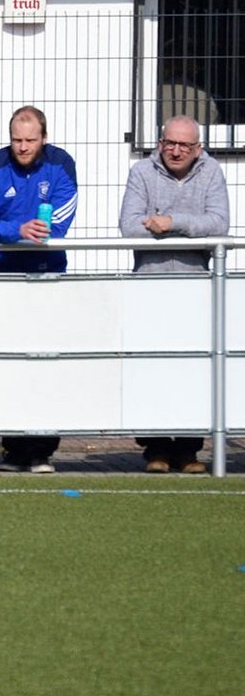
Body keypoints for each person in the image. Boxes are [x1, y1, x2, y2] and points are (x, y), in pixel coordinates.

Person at [0, 105, 78, 473]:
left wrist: (23, 231)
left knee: (45, 362)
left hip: (47, 276)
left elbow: (58, 222)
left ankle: (42, 450)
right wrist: (16, 231)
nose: (23, 147)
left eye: (30, 140)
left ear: (44, 138)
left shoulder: (61, 164)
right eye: (16, 140)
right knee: (6, 364)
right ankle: (12, 448)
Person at [120, 115, 230, 474]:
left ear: (198, 148)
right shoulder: (141, 173)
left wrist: (170, 222)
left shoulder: (211, 172)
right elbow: (129, 227)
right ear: (160, 142)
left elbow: (219, 223)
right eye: (171, 143)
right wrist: (177, 226)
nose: (177, 151)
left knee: (192, 369)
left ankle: (188, 450)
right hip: (149, 284)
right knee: (152, 367)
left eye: (185, 145)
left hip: (195, 285)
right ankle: (155, 449)